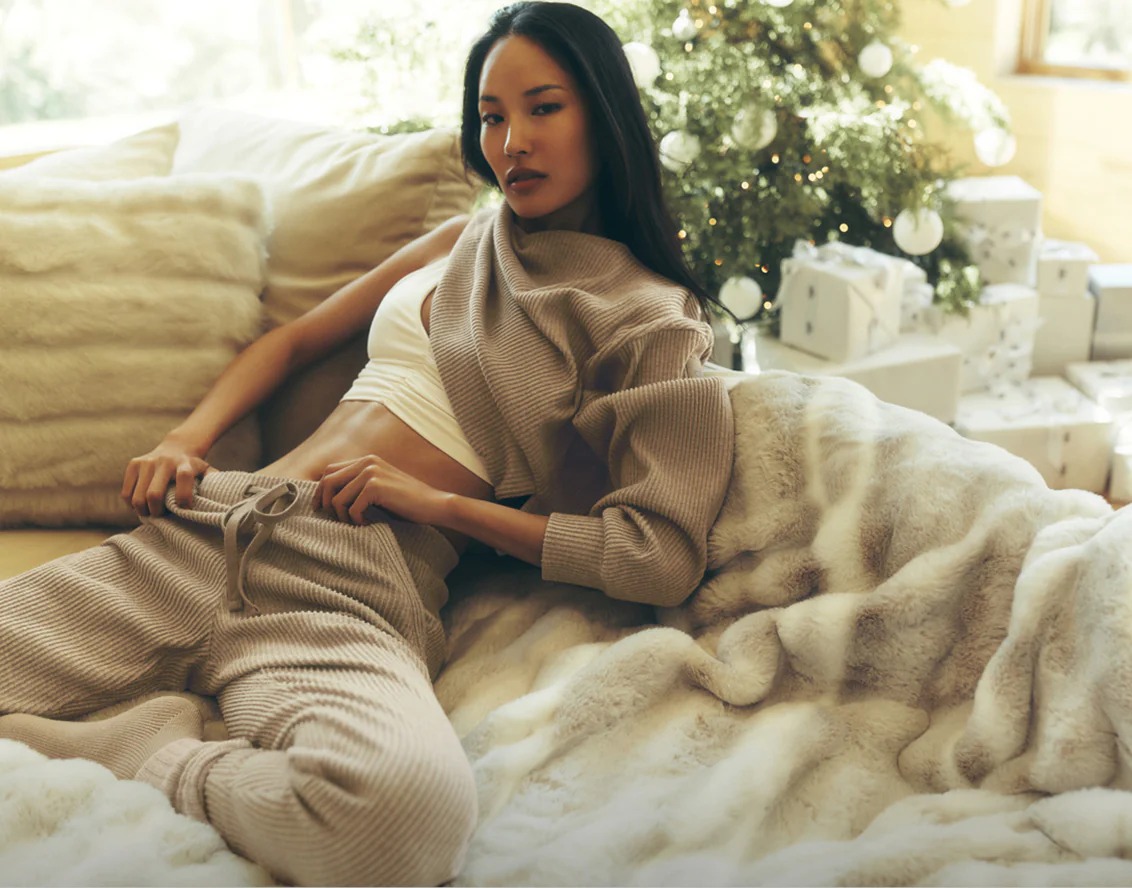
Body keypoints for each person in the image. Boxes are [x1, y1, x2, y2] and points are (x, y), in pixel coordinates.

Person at [0, 2, 734, 885]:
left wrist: (438, 505)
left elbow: (657, 555)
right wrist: (184, 440)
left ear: (605, 115)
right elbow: (295, 340)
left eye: (544, 108)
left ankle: (145, 746)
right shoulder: (471, 234)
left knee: (404, 825)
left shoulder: (648, 319)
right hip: (215, 529)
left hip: (351, 587)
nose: (511, 143)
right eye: (491, 117)